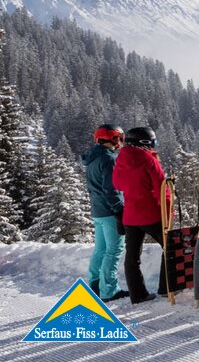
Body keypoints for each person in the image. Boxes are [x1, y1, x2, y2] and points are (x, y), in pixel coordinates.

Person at [112, 126, 169, 304]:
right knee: (170, 248)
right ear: (144, 142)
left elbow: (117, 183)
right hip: (151, 214)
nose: (154, 146)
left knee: (132, 257)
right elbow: (161, 189)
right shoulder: (149, 160)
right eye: (153, 142)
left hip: (130, 216)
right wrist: (167, 212)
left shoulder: (120, 158)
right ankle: (167, 288)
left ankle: (138, 294)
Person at [83, 124, 129, 302]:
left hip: (97, 210)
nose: (120, 142)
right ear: (112, 138)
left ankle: (95, 284)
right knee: (114, 249)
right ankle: (109, 290)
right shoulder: (109, 159)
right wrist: (119, 210)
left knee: (101, 249)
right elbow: (111, 189)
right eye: (119, 138)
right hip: (109, 211)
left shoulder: (93, 158)